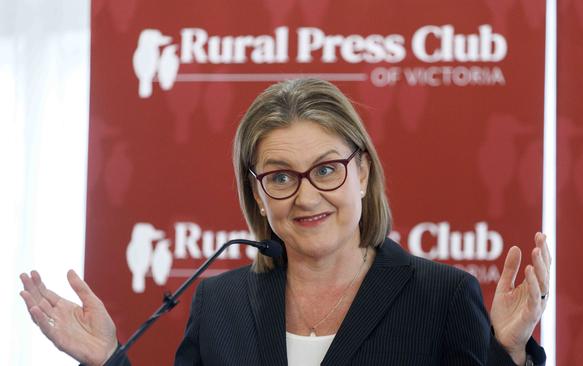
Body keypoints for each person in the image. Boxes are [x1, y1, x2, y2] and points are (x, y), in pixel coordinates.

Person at [20, 78, 550, 366]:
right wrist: (108, 360)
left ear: (362, 172)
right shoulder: (219, 304)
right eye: (279, 176)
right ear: (257, 190)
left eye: (326, 169)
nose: (306, 196)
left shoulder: (441, 296)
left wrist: (510, 353)